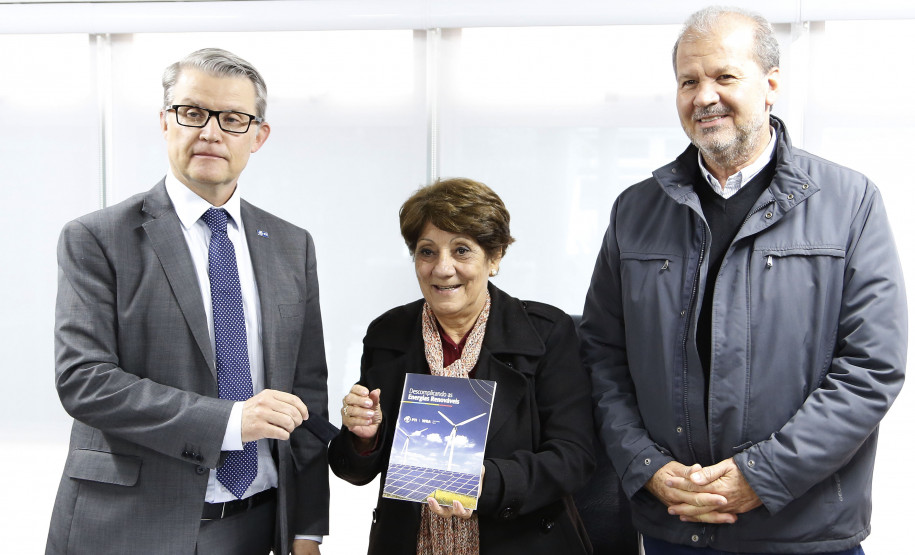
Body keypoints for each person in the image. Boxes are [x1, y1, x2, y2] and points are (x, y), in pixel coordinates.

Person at [581, 6, 906, 555]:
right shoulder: (636, 210)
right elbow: (602, 357)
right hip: (673, 526)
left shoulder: (850, 203)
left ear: (771, 84)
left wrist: (762, 475)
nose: (704, 96)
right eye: (688, 81)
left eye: (724, 76)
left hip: (803, 532)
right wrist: (649, 468)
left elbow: (871, 367)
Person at [46, 48, 329, 555]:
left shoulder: (292, 244)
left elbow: (306, 396)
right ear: (165, 122)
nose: (211, 132)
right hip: (130, 525)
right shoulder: (98, 237)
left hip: (258, 523)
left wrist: (306, 528)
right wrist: (229, 421)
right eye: (193, 113)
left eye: (234, 119)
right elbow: (83, 381)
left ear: (258, 135)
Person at [328, 178, 595, 554]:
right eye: (427, 252)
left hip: (520, 541)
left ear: (495, 256)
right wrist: (363, 437)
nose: (442, 268)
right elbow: (356, 471)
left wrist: (490, 482)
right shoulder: (387, 334)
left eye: (462, 250)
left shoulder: (545, 333)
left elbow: (575, 457)